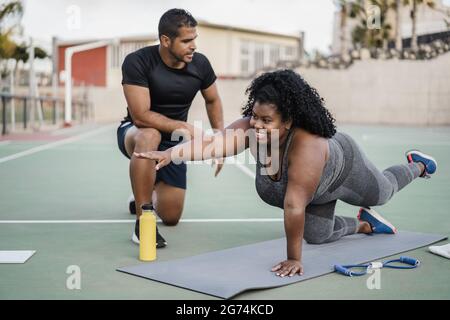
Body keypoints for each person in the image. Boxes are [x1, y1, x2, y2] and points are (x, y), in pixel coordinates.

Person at [134, 69, 437, 276]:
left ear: (289, 121)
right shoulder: (251, 127)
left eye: (267, 120)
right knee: (317, 236)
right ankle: (364, 224)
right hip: (311, 191)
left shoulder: (308, 146)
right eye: (254, 116)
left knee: (382, 192)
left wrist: (294, 258)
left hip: (344, 170)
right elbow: (214, 144)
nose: (257, 125)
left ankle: (418, 164)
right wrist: (171, 153)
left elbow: (294, 205)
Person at [117, 8, 224, 248]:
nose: (193, 45)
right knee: (150, 135)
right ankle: (143, 220)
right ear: (166, 40)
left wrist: (219, 137)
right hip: (135, 133)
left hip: (172, 142)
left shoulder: (201, 65)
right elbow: (141, 116)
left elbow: (213, 99)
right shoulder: (138, 62)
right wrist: (184, 126)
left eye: (194, 38)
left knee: (172, 216)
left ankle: (142, 193)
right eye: (186, 40)